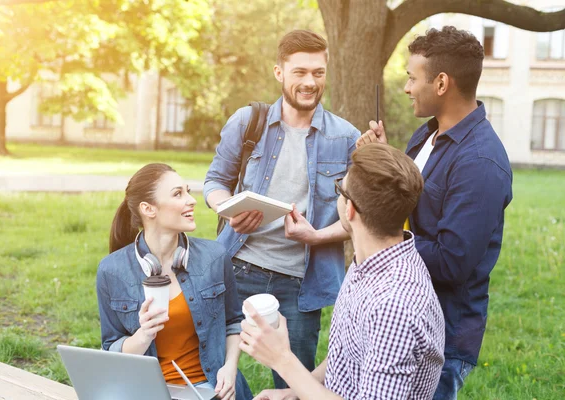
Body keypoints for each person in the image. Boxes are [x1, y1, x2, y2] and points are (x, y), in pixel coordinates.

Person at [358, 26, 513, 399]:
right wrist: (387, 158)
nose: (408, 88)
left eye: (413, 78)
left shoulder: (480, 162)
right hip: (403, 313)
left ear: (441, 83)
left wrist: (383, 242)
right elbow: (411, 201)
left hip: (440, 337)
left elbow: (451, 261)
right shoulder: (426, 135)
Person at [203, 29, 360, 389]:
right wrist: (226, 209)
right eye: (300, 72)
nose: (309, 82)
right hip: (236, 267)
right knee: (211, 367)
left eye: (318, 73)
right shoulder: (248, 122)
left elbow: (361, 218)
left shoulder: (346, 138)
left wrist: (317, 235)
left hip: (302, 283)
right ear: (279, 73)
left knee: (296, 386)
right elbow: (214, 182)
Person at [241, 143, 445, 400]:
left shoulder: (393, 305)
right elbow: (347, 355)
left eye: (340, 189)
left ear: (349, 210)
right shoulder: (370, 260)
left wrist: (283, 360)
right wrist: (294, 392)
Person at [96, 163, 252, 400]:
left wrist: (229, 369)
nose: (192, 200)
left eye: (187, 191)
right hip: (148, 392)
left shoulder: (215, 256)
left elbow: (233, 323)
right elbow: (111, 349)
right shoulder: (111, 270)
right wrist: (144, 335)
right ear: (149, 209)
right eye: (178, 194)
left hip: (213, 389)